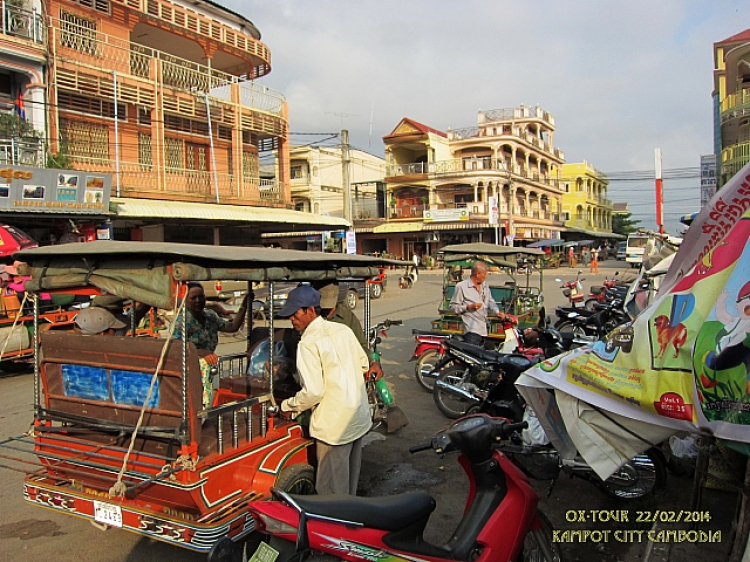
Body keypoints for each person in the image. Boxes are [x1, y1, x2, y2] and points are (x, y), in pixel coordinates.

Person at [276, 285, 371, 495]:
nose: (292, 319)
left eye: (295, 313)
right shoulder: (343, 330)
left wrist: (288, 406)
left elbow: (313, 392)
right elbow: (363, 363)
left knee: (332, 492)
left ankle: (335, 526)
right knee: (348, 485)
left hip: (335, 427)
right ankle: (350, 522)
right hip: (357, 417)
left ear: (310, 310)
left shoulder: (308, 343)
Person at [174, 281, 247, 408]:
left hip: (208, 369)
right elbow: (175, 346)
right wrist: (201, 353)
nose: (198, 300)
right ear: (186, 299)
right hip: (189, 370)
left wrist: (244, 307)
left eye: (201, 297)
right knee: (193, 403)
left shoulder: (210, 316)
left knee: (205, 401)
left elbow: (232, 327)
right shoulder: (182, 321)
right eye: (193, 298)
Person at [318, 283, 383, 379]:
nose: (327, 311)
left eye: (330, 307)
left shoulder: (347, 317)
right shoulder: (313, 316)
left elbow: (361, 345)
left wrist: (372, 362)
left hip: (345, 372)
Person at [449, 261, 510, 347]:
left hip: (484, 329)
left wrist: (497, 312)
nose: (486, 276)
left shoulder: (485, 286)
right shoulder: (461, 286)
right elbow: (453, 308)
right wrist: (468, 307)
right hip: (471, 331)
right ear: (477, 274)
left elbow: (490, 302)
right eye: (484, 274)